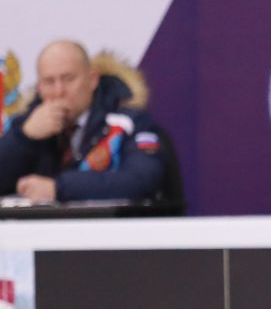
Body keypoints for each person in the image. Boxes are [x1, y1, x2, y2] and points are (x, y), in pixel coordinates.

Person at [0, 41, 171, 205]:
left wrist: (58, 188)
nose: (59, 91)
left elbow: (142, 180)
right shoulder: (22, 126)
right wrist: (24, 138)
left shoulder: (129, 122)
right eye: (49, 82)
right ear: (39, 87)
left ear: (92, 80)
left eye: (68, 79)